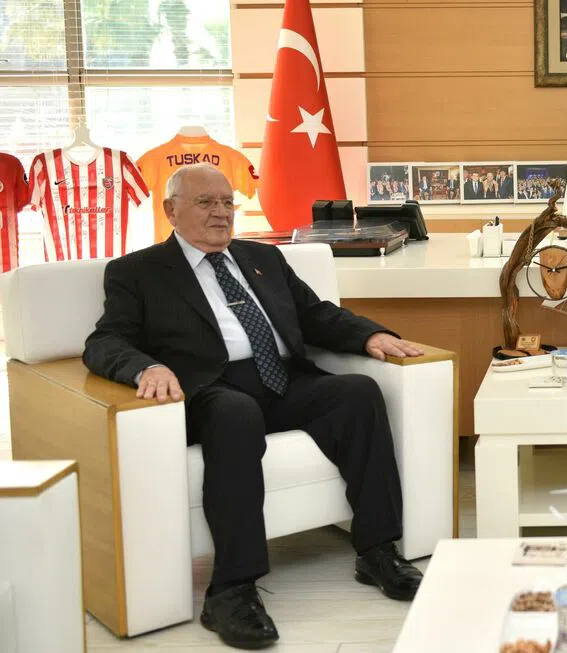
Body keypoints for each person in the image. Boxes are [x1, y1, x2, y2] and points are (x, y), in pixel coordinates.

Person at [82, 164, 427, 649]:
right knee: (236, 413)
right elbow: (105, 341)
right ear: (171, 210)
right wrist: (146, 368)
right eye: (206, 203)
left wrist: (369, 335)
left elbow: (315, 316)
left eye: (228, 202)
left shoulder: (263, 257)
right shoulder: (137, 272)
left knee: (358, 393)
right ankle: (231, 590)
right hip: (209, 389)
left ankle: (377, 551)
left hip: (282, 379)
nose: (221, 213)